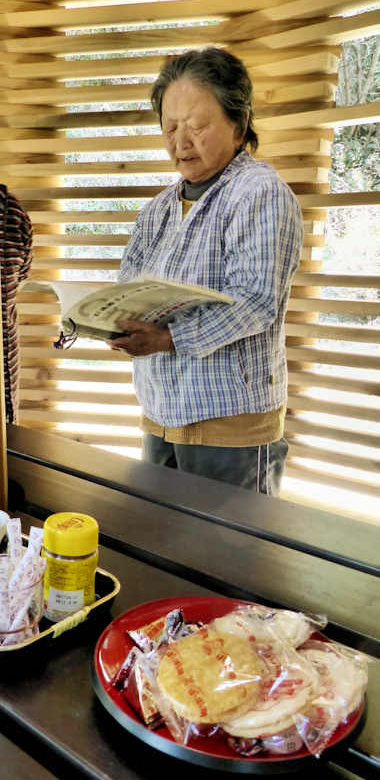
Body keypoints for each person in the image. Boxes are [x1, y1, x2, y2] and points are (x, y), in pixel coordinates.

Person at [108, 48, 303, 496]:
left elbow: (255, 302)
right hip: (160, 416)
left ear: (239, 122)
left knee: (230, 561)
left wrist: (166, 338)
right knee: (164, 554)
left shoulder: (260, 193)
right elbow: (129, 287)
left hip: (230, 427)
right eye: (170, 127)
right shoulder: (158, 208)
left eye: (197, 126)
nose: (181, 141)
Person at [0, 183, 33, 423]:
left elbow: (21, 276)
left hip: (3, 355)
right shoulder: (12, 213)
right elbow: (21, 276)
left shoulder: (14, 214)